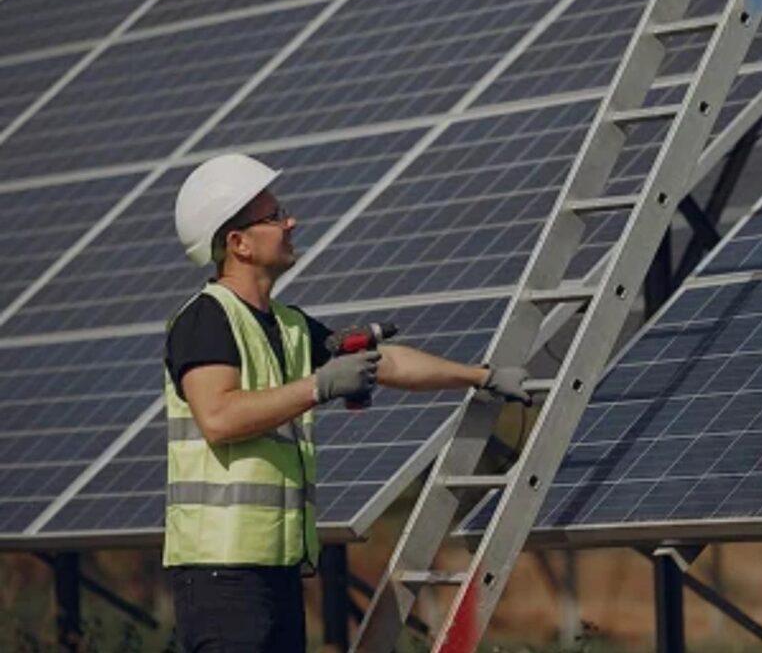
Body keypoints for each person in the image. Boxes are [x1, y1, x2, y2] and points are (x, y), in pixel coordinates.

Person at [165, 153, 531, 652]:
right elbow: (219, 418)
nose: (290, 222)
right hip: (221, 574)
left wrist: (482, 376)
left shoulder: (289, 325)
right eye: (274, 217)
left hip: (276, 570)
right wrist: (319, 386)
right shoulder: (207, 320)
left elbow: (388, 362)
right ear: (238, 243)